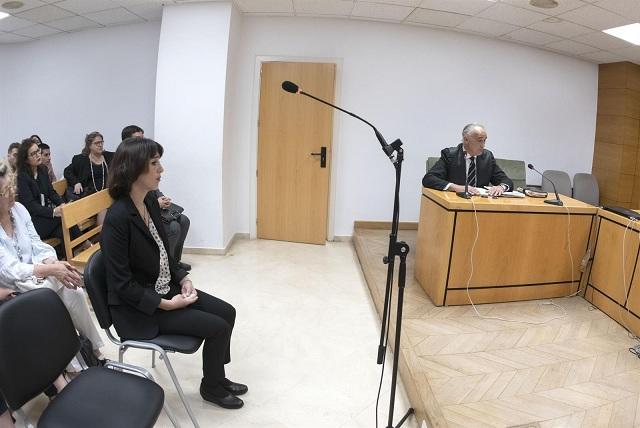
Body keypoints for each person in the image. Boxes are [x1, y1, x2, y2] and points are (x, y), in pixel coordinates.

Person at [101, 138, 247, 409]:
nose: (161, 169)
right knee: (218, 327)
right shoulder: (117, 218)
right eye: (154, 163)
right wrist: (166, 304)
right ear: (134, 169)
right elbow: (121, 284)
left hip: (162, 290)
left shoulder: (150, 202)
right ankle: (212, 387)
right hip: (138, 311)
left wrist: (183, 278)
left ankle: (217, 376)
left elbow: (164, 253)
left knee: (227, 311)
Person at [0, 158, 105, 375]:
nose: (13, 194)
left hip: (36, 275)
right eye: (6, 191)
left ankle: (94, 350)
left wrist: (52, 261)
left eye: (11, 187)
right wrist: (48, 270)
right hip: (13, 287)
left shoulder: (18, 210)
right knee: (47, 296)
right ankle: (70, 367)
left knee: (73, 290)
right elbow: (9, 269)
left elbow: (37, 244)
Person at [121, 125, 191, 270]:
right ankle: (166, 265)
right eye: (154, 163)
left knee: (183, 220)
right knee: (174, 227)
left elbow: (154, 190)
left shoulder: (145, 177)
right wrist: (155, 204)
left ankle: (174, 263)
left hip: (152, 207)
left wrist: (161, 199)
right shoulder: (121, 214)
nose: (161, 169)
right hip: (147, 212)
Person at [15, 139, 81, 252]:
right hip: (33, 222)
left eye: (38, 151)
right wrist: (54, 212)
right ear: (26, 159)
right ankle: (85, 244)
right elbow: (31, 206)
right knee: (63, 218)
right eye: (33, 154)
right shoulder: (22, 177)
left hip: (46, 218)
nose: (38, 155)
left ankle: (70, 258)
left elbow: (51, 192)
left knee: (62, 231)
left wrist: (62, 204)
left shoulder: (43, 170)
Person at [422, 123, 513, 197]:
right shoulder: (450, 155)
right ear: (466, 139)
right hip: (455, 202)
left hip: (480, 205)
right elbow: (429, 179)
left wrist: (501, 187)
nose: (483, 145)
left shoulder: (487, 157)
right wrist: (457, 187)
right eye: (480, 140)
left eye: (484, 140)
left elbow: (506, 180)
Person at [64, 132, 113, 200]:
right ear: (89, 145)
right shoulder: (80, 160)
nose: (100, 145)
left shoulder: (111, 156)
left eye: (101, 142)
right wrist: (76, 183)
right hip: (89, 197)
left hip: (109, 194)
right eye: (97, 143)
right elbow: (67, 171)